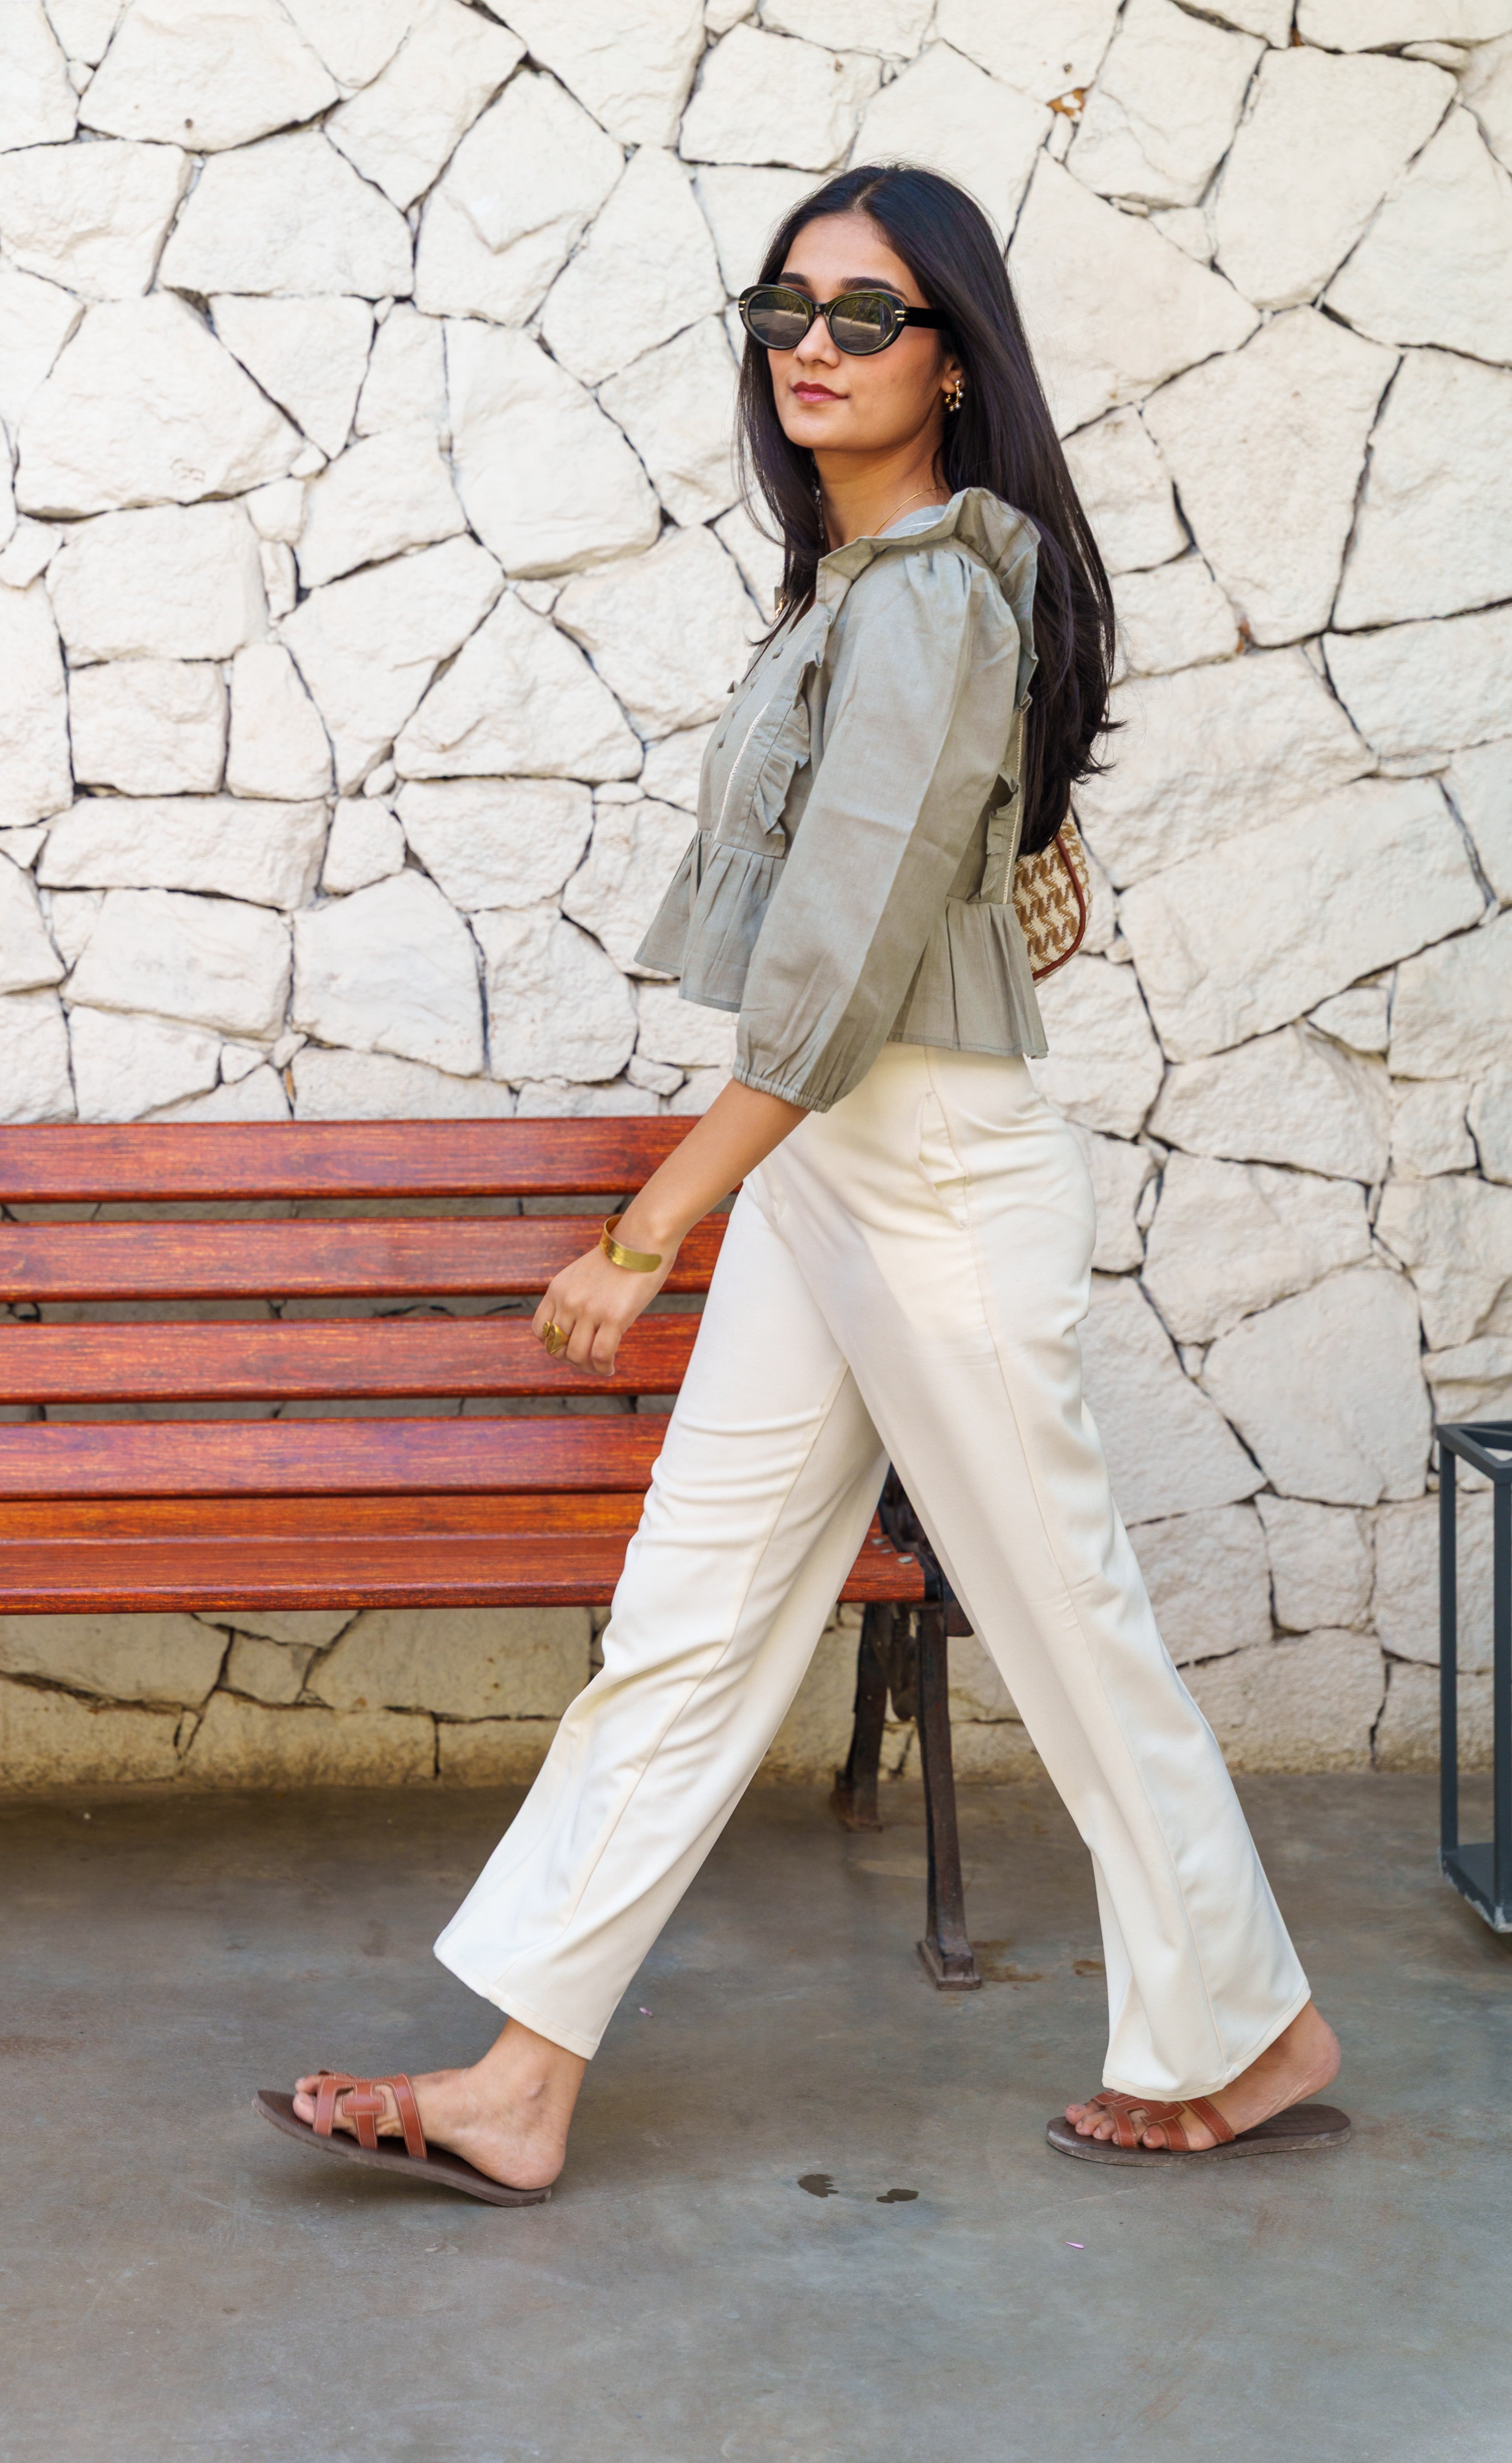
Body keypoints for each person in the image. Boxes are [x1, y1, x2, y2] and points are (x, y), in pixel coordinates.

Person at [257, 163, 1347, 2202]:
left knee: (1065, 1624)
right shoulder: (858, 589)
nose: (814, 348)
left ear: (956, 361)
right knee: (691, 1613)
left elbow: (839, 962)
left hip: (926, 1173)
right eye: (787, 311)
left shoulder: (933, 593)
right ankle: (520, 2081)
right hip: (833, 1165)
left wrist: (647, 1225)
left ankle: (1249, 2022)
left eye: (867, 315)